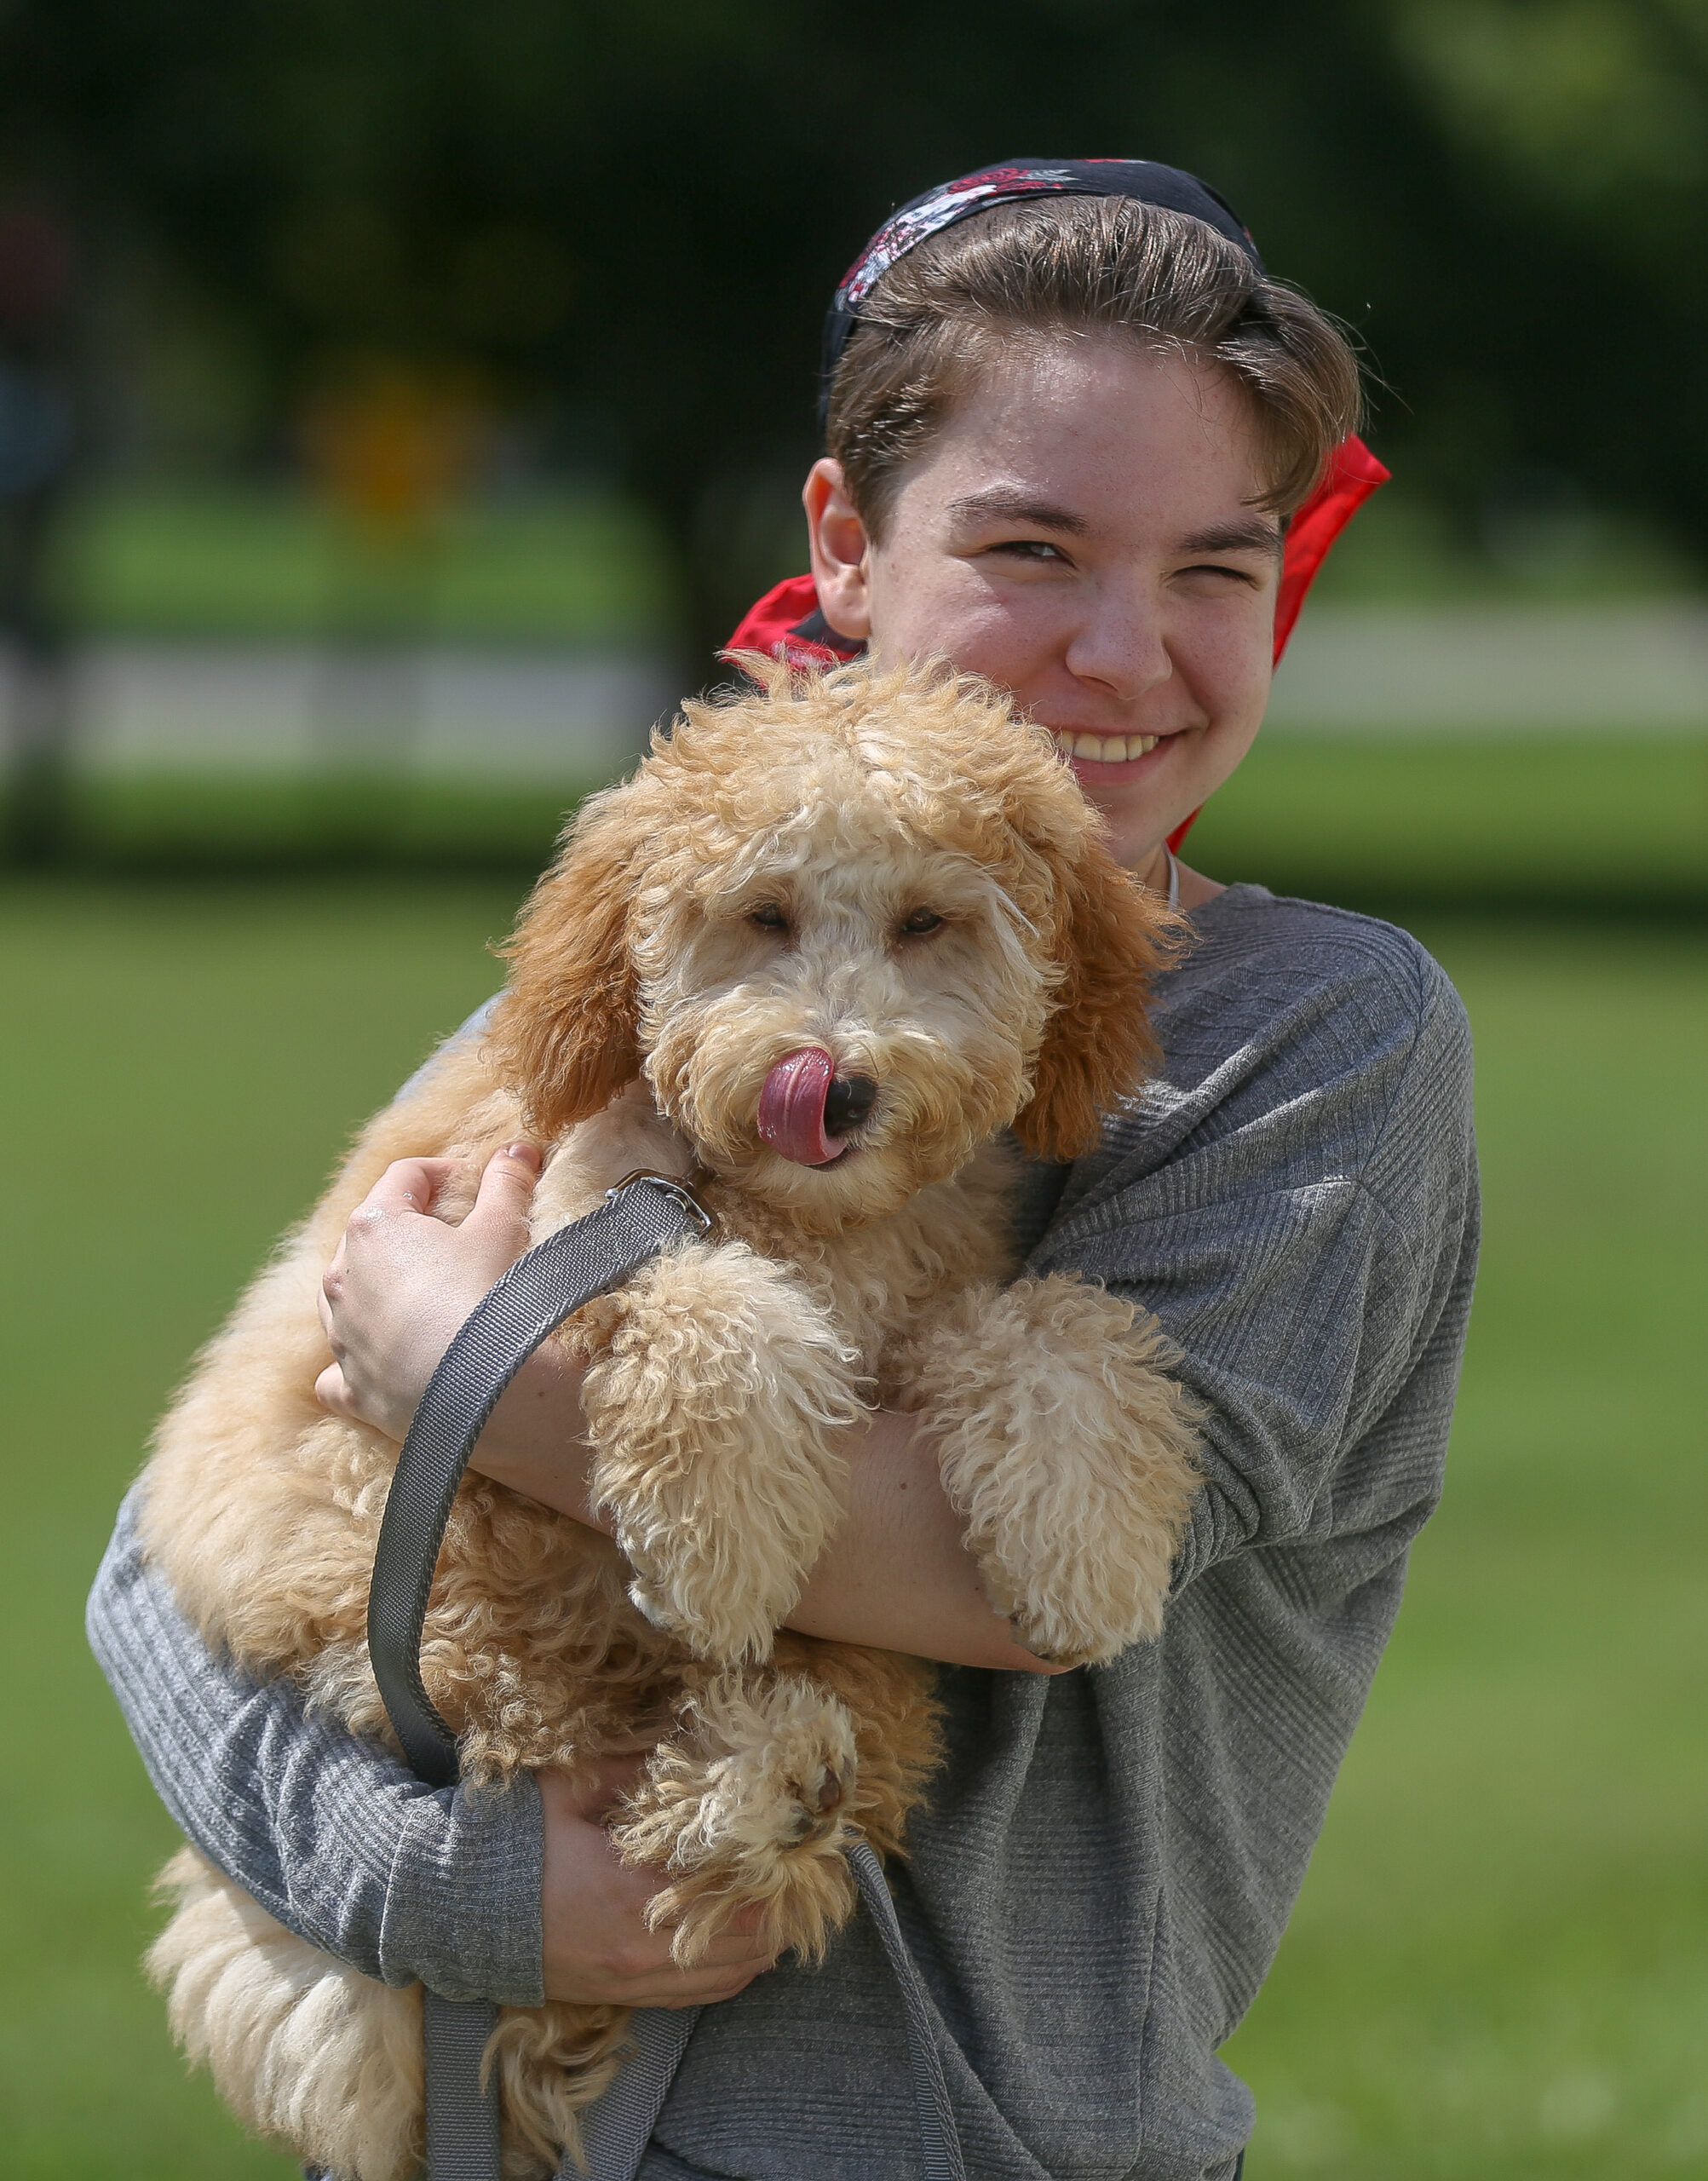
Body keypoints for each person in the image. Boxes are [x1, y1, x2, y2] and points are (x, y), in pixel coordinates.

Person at [89, 161, 1478, 2181]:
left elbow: (1019, 1573)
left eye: (1213, 566)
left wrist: (471, 1361)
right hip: (487, 2118)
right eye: (1033, 547)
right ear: (842, 543)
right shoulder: (683, 930)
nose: (1127, 651)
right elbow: (165, 1552)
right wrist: (454, 1882)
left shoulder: (1313, 1035)